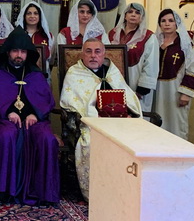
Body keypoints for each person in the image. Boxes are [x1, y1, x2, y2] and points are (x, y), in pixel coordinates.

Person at [0, 27, 60, 205]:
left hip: (35, 120)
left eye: (23, 52)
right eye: (15, 51)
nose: (19, 55)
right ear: (8, 52)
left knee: (46, 139)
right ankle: (4, 191)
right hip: (4, 119)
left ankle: (44, 193)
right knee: (6, 135)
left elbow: (46, 99)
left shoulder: (36, 74)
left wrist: (35, 113)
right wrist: (7, 111)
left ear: (28, 54)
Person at [60, 38, 141, 200]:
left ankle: (126, 188)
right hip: (91, 124)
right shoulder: (75, 73)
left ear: (104, 54)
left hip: (120, 122)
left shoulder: (112, 72)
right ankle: (97, 192)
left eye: (97, 51)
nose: (93, 56)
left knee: (133, 140)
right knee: (90, 142)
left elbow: (127, 96)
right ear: (82, 54)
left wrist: (129, 113)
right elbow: (71, 102)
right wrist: (93, 118)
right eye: (88, 51)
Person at [153, 9, 194, 140]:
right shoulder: (154, 43)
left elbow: (193, 69)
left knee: (176, 124)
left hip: (176, 91)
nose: (167, 24)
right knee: (156, 123)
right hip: (156, 91)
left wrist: (186, 93)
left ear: (176, 23)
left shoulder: (185, 44)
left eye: (170, 20)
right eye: (163, 21)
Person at [109, 3, 158, 112]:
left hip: (136, 84)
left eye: (137, 13)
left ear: (142, 17)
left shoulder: (149, 36)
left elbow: (151, 64)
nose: (133, 15)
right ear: (125, 15)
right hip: (114, 82)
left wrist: (142, 89)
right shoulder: (112, 34)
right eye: (130, 12)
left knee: (136, 116)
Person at [15, 1, 54, 68]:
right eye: (29, 13)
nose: (32, 16)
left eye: (36, 13)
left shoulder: (48, 36)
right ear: (24, 16)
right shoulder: (16, 35)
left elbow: (49, 59)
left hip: (42, 74)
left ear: (40, 16)